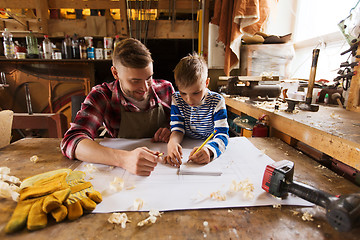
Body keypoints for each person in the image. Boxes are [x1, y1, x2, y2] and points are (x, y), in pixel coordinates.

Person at [61, 38, 174, 176]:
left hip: (163, 169)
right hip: (121, 172)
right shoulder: (102, 96)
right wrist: (124, 159)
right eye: (135, 81)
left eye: (149, 78)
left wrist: (172, 130)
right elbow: (72, 141)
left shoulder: (166, 89)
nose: (145, 88)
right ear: (115, 73)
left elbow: (185, 127)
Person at [165, 53, 229, 167]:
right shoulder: (177, 99)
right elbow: (177, 128)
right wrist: (172, 143)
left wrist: (209, 150)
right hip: (187, 146)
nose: (188, 99)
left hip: (208, 144)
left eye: (196, 93)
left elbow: (222, 134)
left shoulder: (217, 101)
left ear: (206, 83)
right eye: (183, 93)